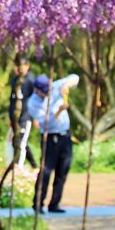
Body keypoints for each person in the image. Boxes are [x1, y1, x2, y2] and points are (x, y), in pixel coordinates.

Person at [26, 72, 79, 214]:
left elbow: (75, 77)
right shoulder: (33, 103)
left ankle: (54, 204)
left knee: (63, 169)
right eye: (45, 92)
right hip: (49, 137)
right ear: (37, 91)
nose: (48, 94)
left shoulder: (55, 87)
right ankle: (38, 203)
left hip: (65, 136)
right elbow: (44, 121)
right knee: (46, 171)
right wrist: (58, 111)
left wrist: (67, 85)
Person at [8, 54, 38, 168]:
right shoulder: (15, 80)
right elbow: (12, 100)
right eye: (18, 65)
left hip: (25, 116)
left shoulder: (31, 80)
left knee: (21, 142)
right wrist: (10, 116)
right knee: (16, 142)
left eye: (23, 65)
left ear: (27, 66)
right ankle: (34, 165)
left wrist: (35, 117)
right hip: (15, 117)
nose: (20, 68)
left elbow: (36, 100)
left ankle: (18, 167)